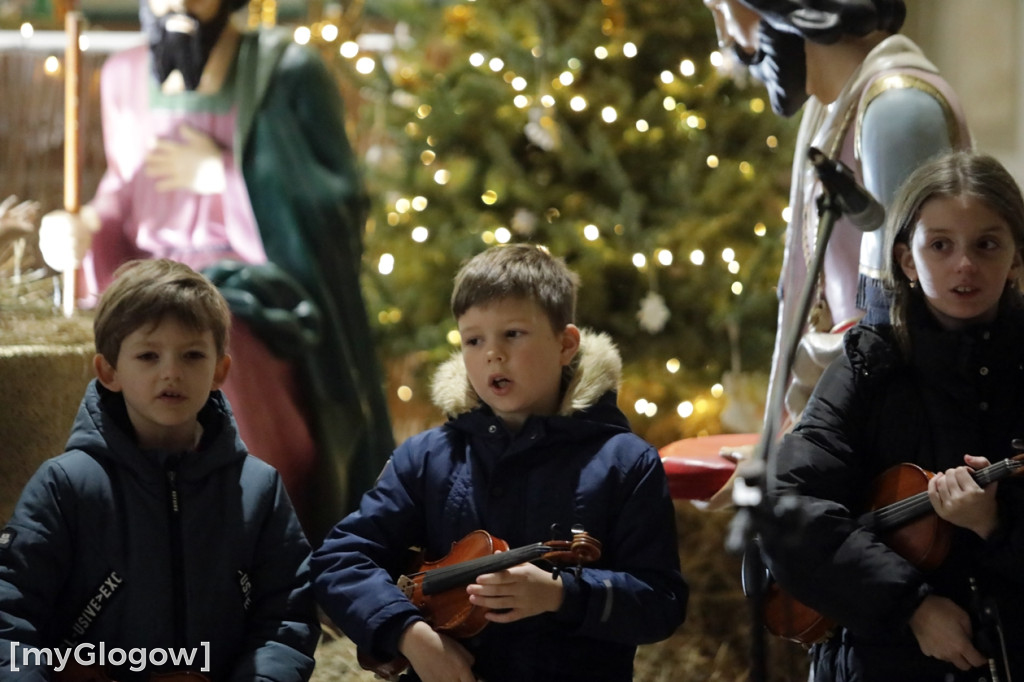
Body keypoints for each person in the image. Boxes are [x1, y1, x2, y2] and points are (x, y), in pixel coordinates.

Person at [37, 0, 394, 544]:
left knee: (205, 340)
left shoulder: (287, 70)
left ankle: (244, 532)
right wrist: (83, 225)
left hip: (249, 279)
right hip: (147, 275)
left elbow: (331, 201)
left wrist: (226, 176)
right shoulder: (123, 76)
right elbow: (122, 187)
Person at [311, 244, 688, 682]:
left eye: (513, 333)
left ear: (565, 344)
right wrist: (409, 634)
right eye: (474, 340)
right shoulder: (428, 456)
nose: (492, 353)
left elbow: (661, 602)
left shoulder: (626, 462)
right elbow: (341, 558)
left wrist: (561, 594)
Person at [761, 151, 1024, 681]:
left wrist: (993, 525)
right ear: (906, 260)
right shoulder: (868, 363)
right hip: (883, 660)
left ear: (1017, 258)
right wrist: (913, 607)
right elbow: (790, 509)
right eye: (940, 245)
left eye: (987, 244)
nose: (965, 265)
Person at [0, 259, 319, 681]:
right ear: (109, 371)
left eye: (192, 355)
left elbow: (286, 617)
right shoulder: (65, 487)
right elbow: (10, 615)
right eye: (148, 356)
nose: (171, 372)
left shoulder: (259, 489)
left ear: (219, 370)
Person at [703, 0, 972, 432]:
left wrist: (810, 434)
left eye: (723, 8)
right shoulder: (834, 106)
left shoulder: (896, 109)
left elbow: (896, 317)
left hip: (890, 432)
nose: (726, 38)